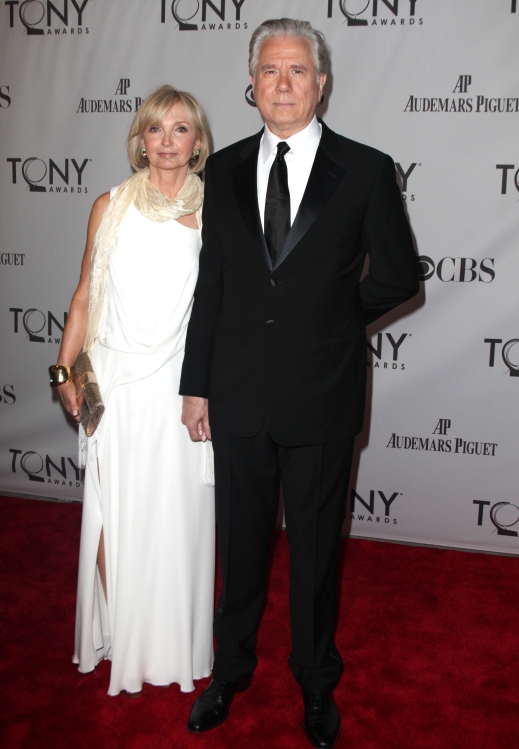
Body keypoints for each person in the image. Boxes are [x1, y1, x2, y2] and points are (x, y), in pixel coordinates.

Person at [180, 18, 419, 749]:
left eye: (297, 71)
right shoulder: (218, 171)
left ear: (321, 83)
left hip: (322, 389)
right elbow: (211, 285)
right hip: (238, 389)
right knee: (240, 545)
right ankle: (230, 670)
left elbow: (400, 275)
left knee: (316, 552)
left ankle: (316, 683)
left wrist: (333, 317)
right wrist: (196, 385)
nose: (282, 84)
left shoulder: (367, 168)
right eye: (269, 71)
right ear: (250, 85)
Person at [50, 85, 215, 696]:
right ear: (139, 139)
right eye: (155, 129)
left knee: (175, 515)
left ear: (197, 142)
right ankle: (121, 630)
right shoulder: (109, 204)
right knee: (112, 511)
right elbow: (85, 294)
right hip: (114, 382)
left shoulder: (215, 212)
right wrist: (64, 370)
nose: (167, 142)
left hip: (180, 386)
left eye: (180, 130)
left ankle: (171, 640)